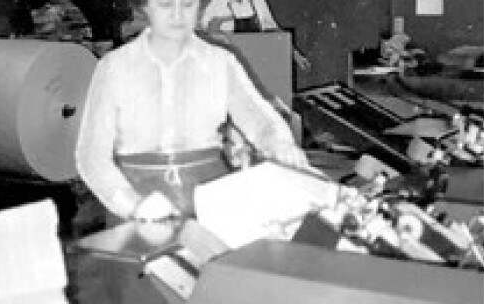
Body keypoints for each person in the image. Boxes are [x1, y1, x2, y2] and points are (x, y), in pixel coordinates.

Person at [75, 0, 310, 226]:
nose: (178, 15)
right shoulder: (114, 67)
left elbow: (260, 119)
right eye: (166, 5)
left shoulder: (220, 62)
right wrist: (132, 204)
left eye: (188, 4)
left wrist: (280, 145)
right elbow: (91, 155)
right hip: (138, 202)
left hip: (209, 200)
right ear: (145, 6)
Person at [200, 0, 311, 70]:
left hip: (256, 65)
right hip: (227, 68)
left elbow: (273, 29)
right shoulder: (216, 4)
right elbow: (204, 35)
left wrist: (295, 54)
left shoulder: (258, 2)